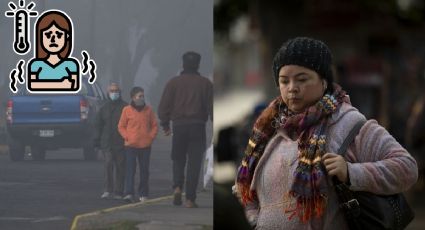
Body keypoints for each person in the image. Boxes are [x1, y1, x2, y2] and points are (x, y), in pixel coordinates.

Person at [234, 37, 418, 229]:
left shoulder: (348, 124)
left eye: (302, 79)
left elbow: (407, 168)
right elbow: (248, 193)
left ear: (323, 81)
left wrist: (352, 173)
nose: (292, 88)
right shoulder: (268, 128)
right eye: (284, 81)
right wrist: (254, 220)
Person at [158, 51, 213, 208]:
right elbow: (212, 107)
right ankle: (190, 199)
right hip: (197, 126)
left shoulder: (173, 83)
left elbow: (163, 107)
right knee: (194, 163)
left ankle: (177, 187)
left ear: (183, 65)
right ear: (198, 65)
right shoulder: (206, 84)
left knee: (178, 159)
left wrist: (165, 125)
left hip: (179, 126)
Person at [118, 87, 158, 202]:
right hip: (130, 145)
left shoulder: (149, 110)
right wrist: (126, 136)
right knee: (130, 170)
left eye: (143, 96)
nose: (142, 98)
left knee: (144, 170)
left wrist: (150, 137)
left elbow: (154, 125)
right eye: (139, 96)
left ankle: (143, 193)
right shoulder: (127, 110)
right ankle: (129, 193)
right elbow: (121, 126)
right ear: (133, 97)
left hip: (145, 146)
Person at [27, 10, 80, 91]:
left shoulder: (71, 65)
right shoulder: (36, 64)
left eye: (58, 34)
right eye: (48, 34)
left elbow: (73, 84)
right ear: (40, 37)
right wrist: (62, 83)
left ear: (67, 37)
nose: (53, 39)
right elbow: (32, 84)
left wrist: (42, 84)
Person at [94, 83, 127, 199]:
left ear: (120, 92)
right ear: (108, 93)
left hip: (121, 142)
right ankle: (108, 189)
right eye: (112, 91)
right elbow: (98, 125)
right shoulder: (104, 108)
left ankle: (119, 191)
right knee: (108, 164)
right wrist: (97, 140)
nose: (114, 93)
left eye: (116, 90)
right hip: (106, 142)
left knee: (120, 167)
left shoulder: (125, 107)